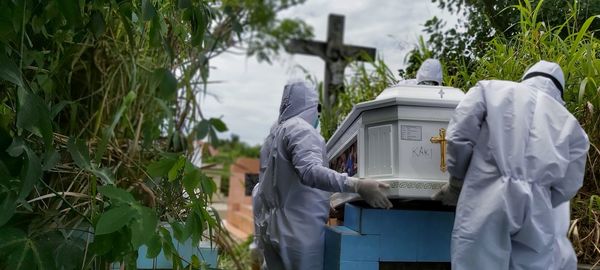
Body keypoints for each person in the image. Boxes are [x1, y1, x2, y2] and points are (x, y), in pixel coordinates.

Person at [433, 60, 589, 269]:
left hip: (487, 195)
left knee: (478, 263)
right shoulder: (572, 126)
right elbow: (569, 185)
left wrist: (457, 182)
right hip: (538, 210)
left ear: (526, 77)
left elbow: (459, 137)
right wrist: (540, 195)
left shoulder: (490, 90)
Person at [252, 80, 393, 270]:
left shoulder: (275, 135)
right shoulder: (301, 130)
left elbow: (272, 186)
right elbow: (310, 172)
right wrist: (357, 185)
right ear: (309, 104)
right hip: (300, 233)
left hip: (274, 229)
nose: (318, 115)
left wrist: (323, 202)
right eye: (317, 107)